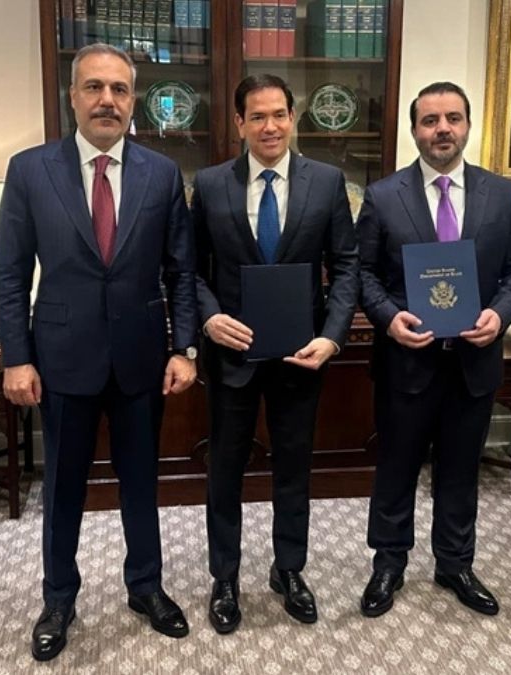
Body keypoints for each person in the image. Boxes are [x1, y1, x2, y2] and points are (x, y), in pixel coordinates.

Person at [0, 43, 198, 662]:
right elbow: (10, 274)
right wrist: (16, 357)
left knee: (141, 482)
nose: (107, 100)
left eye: (119, 89)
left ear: (132, 101)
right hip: (60, 358)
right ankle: (58, 599)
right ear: (73, 97)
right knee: (63, 488)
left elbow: (181, 271)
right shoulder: (30, 170)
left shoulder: (162, 174)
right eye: (94, 88)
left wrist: (185, 348)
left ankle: (146, 587)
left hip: (141, 357)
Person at [356, 81, 511, 619]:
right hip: (406, 359)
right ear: (414, 130)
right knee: (397, 467)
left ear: (467, 125)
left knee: (461, 468)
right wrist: (389, 319)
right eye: (431, 120)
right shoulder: (383, 196)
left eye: (452, 118)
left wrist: (499, 314)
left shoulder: (501, 194)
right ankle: (388, 563)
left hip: (473, 361)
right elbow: (362, 273)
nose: (442, 130)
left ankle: (455, 563)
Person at [191, 73, 359, 633]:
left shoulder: (327, 182)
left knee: (293, 468)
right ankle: (225, 578)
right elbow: (191, 269)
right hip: (231, 357)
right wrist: (209, 318)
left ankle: (289, 570)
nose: (270, 126)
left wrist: (332, 336)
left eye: (279, 115)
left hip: (300, 355)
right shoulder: (210, 185)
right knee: (225, 472)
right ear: (239, 123)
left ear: (293, 118)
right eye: (258, 116)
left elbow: (347, 264)